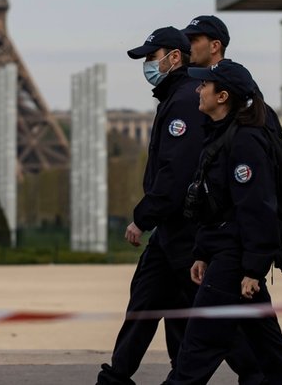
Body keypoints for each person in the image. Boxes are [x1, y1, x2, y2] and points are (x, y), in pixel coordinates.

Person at [98, 27, 262, 385]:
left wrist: (143, 217)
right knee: (147, 303)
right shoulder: (179, 95)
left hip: (183, 229)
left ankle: (255, 375)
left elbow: (177, 171)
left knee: (206, 318)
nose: (147, 65)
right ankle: (117, 377)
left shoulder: (186, 98)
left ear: (174, 57)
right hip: (173, 230)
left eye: (150, 57)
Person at [167, 59, 282, 385]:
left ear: (222, 96)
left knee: (199, 344)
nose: (198, 90)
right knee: (267, 343)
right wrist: (202, 252)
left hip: (235, 257)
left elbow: (256, 208)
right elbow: (213, 207)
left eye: (205, 85)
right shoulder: (219, 136)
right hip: (227, 253)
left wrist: (253, 268)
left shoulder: (244, 141)